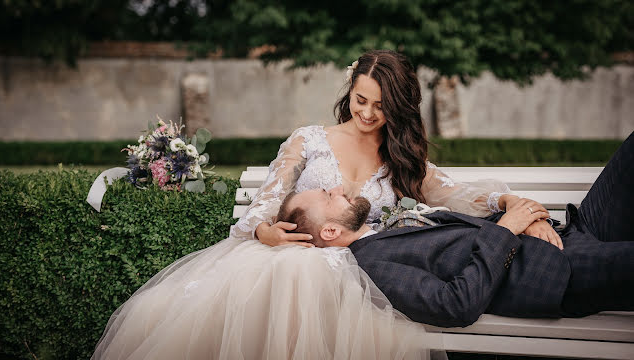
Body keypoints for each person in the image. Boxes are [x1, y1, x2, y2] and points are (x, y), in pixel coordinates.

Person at [92, 50, 547, 359]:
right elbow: (267, 199)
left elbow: (451, 191)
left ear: (399, 108)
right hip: (296, 260)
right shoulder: (309, 140)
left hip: (365, 272)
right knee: (291, 281)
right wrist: (262, 230)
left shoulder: (399, 155)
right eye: (360, 100)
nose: (367, 114)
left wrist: (503, 199)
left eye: (381, 107)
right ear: (350, 89)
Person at [276, 131, 634, 327]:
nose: (338, 188)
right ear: (329, 234)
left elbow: (461, 204)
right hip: (558, 269)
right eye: (327, 195)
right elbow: (456, 305)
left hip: (569, 232)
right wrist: (507, 230)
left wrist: (521, 215)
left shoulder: (379, 229)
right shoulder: (374, 268)